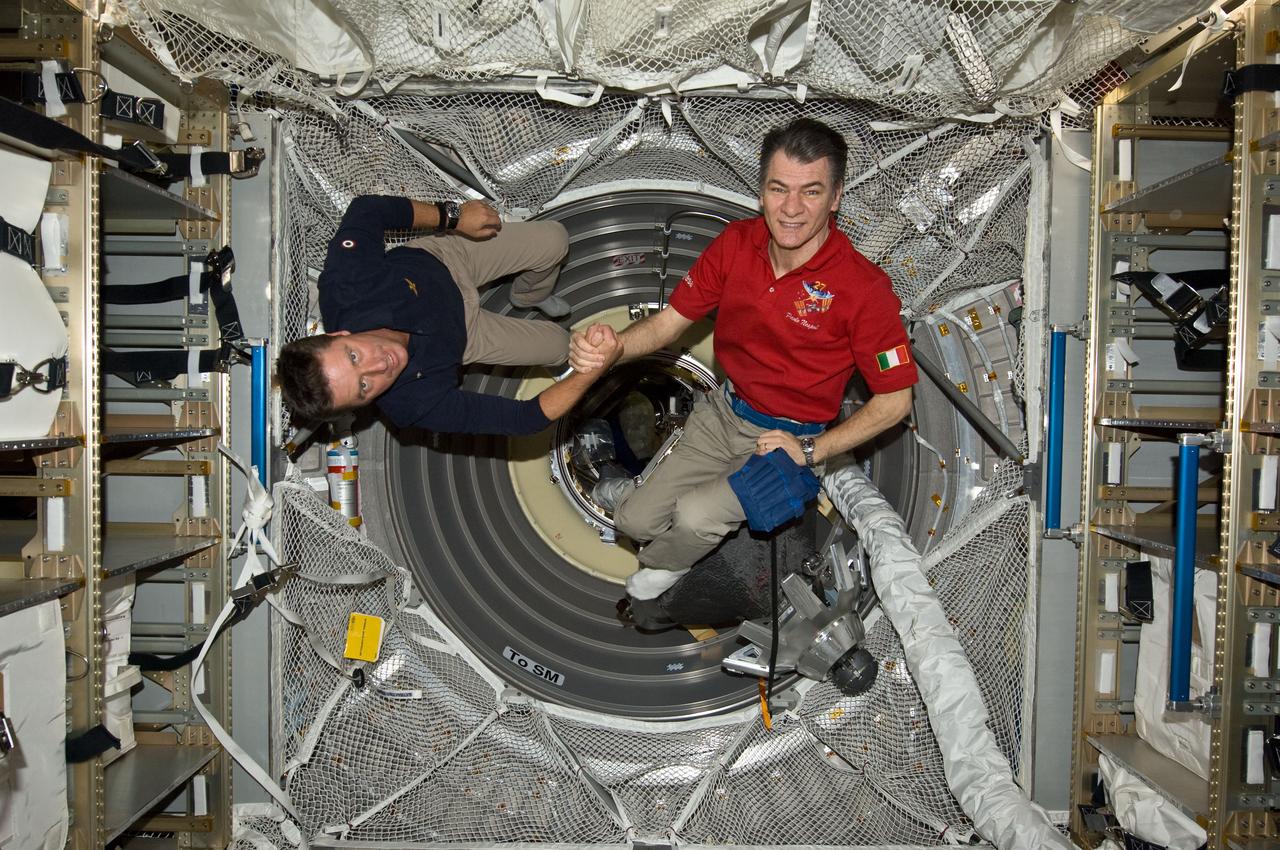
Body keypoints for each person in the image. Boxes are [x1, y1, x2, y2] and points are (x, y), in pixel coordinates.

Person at [570, 118, 917, 602]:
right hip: (725, 412)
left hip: (790, 439)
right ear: (761, 190)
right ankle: (620, 490)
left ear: (836, 196)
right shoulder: (737, 244)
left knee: (694, 517)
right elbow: (669, 322)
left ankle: (666, 570)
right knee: (633, 519)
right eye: (779, 189)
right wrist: (616, 347)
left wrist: (812, 451)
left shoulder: (864, 289)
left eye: (811, 192)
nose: (791, 209)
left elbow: (895, 401)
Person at [278, 195, 619, 435]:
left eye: (354, 356)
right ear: (362, 405)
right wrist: (590, 373)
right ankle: (542, 319)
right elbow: (522, 419)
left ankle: (530, 295)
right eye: (364, 387)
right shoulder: (411, 404)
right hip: (465, 336)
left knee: (554, 240)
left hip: (446, 260)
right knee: (562, 347)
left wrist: (452, 216)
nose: (380, 365)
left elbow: (366, 211)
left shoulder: (346, 285)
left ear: (339, 335)